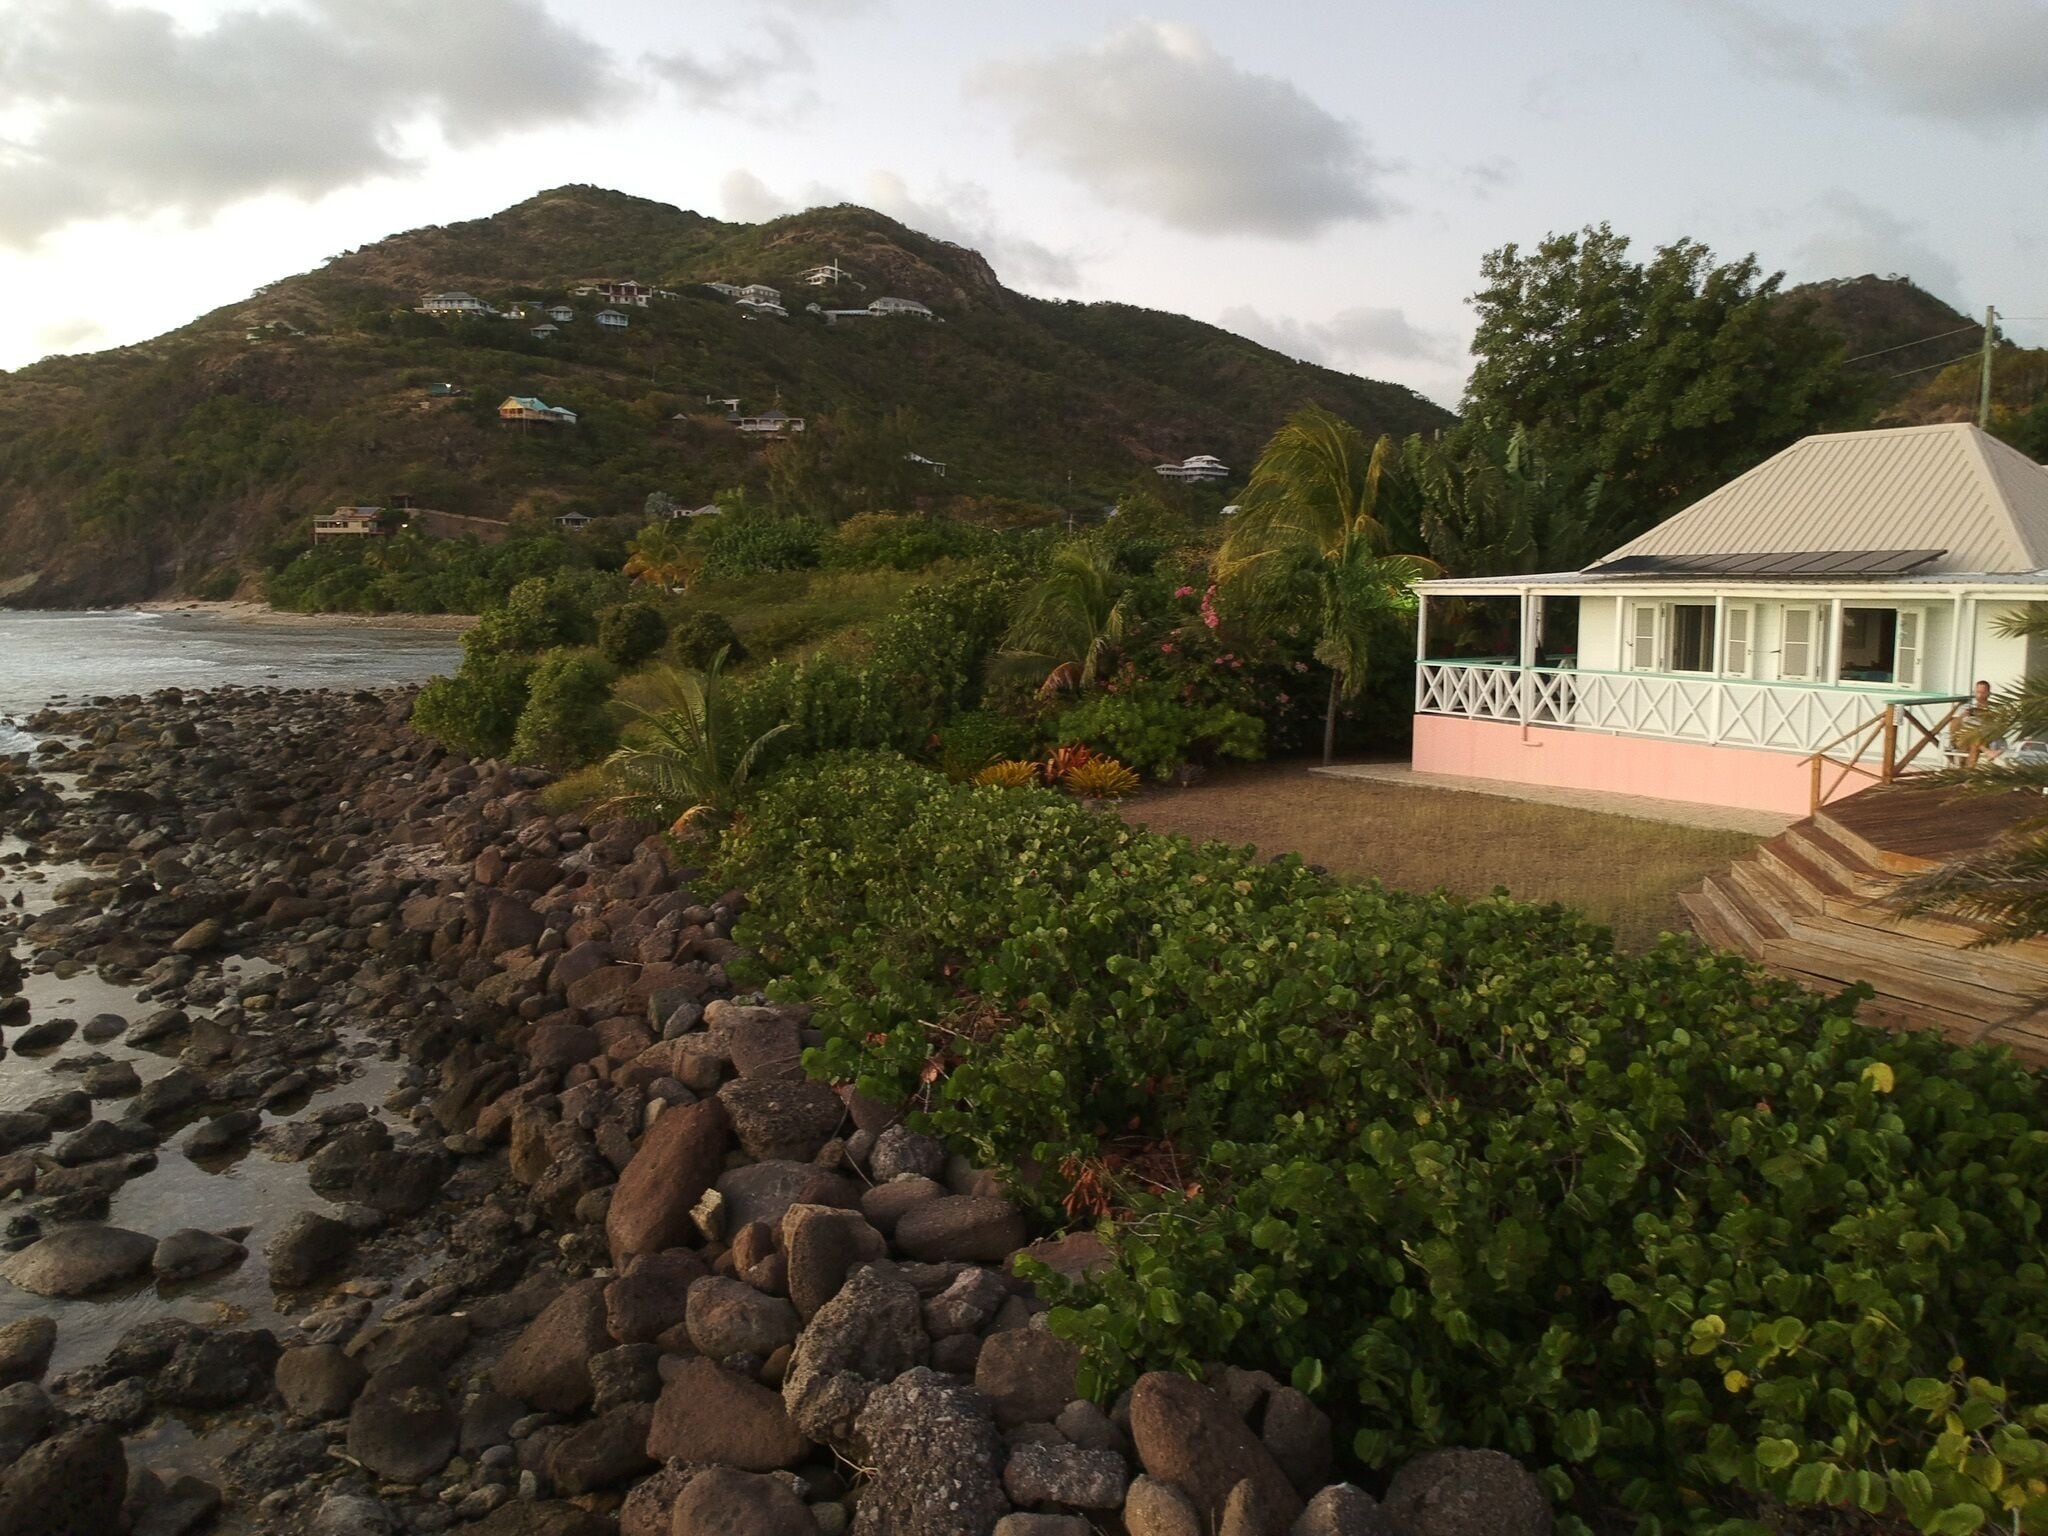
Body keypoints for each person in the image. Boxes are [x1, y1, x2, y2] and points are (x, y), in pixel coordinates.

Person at [1960, 679, 2007, 767]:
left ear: (1988, 693)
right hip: (1969, 738)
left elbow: (2000, 724)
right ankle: (1988, 752)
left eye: (1983, 692)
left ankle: (1969, 773)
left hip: (1987, 737)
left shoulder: (1994, 708)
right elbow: (1964, 723)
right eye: (1977, 692)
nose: (1980, 695)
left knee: (1977, 741)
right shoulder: (1969, 707)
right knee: (1974, 739)